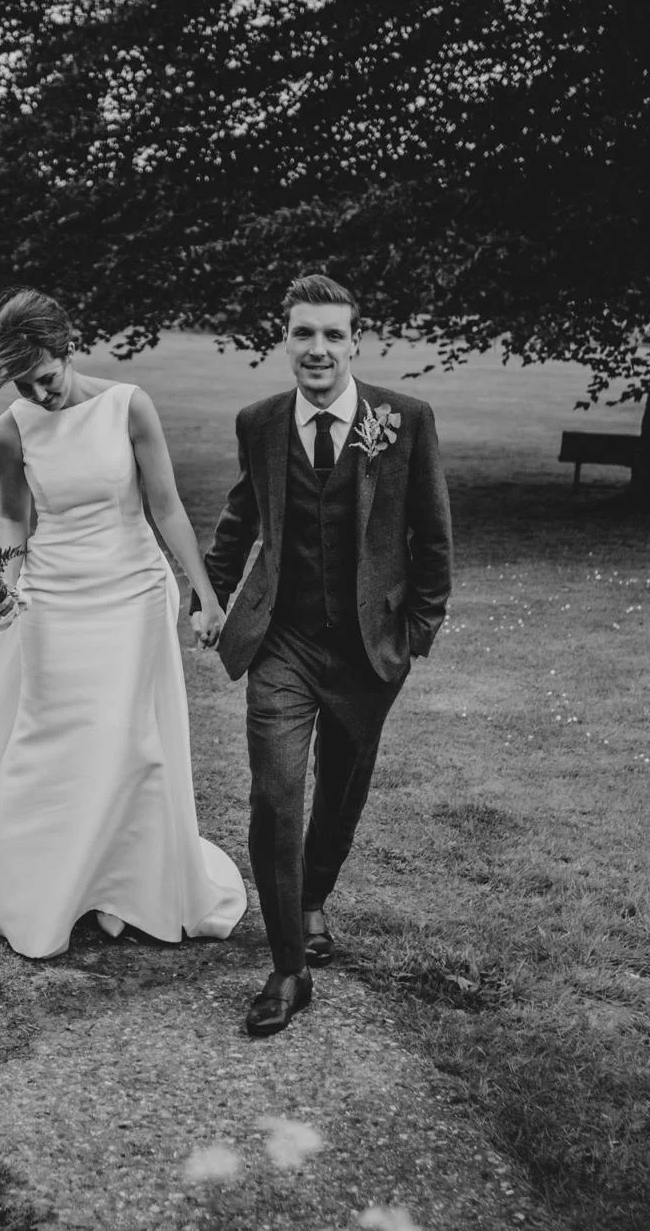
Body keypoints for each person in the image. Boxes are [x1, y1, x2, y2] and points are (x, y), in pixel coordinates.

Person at [0, 289, 247, 958]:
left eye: (48, 378)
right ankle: (41, 891)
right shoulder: (11, 428)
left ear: (70, 347)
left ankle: (117, 883)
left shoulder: (129, 406)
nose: (41, 394)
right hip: (53, 599)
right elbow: (15, 521)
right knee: (52, 739)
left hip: (132, 595)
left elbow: (168, 508)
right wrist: (0, 591)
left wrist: (205, 595)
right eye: (26, 384)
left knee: (127, 739)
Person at [194, 274, 453, 1036]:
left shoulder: (405, 421)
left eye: (332, 335)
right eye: (303, 333)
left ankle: (312, 897)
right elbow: (243, 517)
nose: (318, 349)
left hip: (370, 650)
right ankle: (287, 967)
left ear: (355, 342)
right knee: (276, 796)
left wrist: (416, 636)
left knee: (341, 793)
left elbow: (432, 539)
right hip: (284, 642)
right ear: (286, 340)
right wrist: (211, 596)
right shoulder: (260, 422)